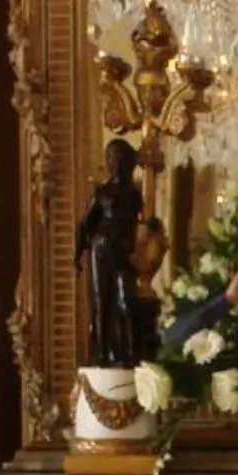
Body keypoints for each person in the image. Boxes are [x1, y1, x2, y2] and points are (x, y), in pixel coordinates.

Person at [76, 137, 146, 367]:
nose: (116, 163)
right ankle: (101, 352)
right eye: (112, 158)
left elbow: (138, 226)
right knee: (102, 300)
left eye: (120, 158)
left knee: (126, 299)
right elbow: (85, 224)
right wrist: (76, 255)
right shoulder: (102, 192)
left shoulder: (134, 195)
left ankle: (129, 352)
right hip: (102, 249)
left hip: (123, 253)